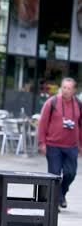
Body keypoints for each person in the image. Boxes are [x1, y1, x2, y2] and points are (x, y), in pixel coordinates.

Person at [38, 77, 82, 209]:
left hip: (71, 146)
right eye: (64, 87)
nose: (66, 90)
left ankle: (61, 194)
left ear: (74, 90)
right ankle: (55, 203)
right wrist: (42, 143)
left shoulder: (79, 104)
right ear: (61, 88)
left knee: (70, 173)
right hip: (53, 145)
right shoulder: (51, 102)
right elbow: (42, 123)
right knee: (54, 175)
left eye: (69, 88)